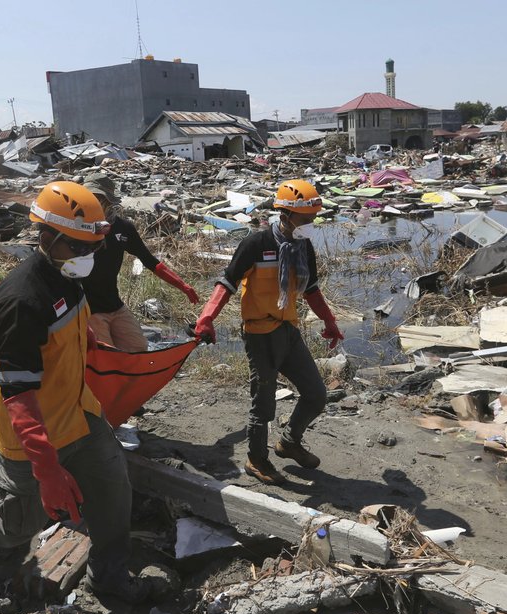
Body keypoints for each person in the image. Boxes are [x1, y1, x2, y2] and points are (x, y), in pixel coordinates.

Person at [0, 181, 153, 603]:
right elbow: (19, 397)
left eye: (93, 248)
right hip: (31, 434)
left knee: (112, 491)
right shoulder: (20, 301)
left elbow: (75, 328)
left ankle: (109, 577)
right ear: (48, 239)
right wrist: (47, 472)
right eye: (80, 248)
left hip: (79, 414)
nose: (90, 257)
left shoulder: (69, 275)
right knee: (20, 524)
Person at [194, 179, 344, 485]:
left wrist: (330, 322)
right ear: (285, 215)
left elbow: (311, 289)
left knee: (316, 394)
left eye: (314, 219)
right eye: (306, 219)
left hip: (288, 331)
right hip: (260, 334)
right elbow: (227, 283)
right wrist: (206, 318)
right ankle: (256, 460)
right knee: (264, 403)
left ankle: (289, 442)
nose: (310, 225)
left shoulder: (303, 246)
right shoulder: (256, 244)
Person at [80, 173, 199, 351]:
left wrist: (183, 286)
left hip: (114, 304)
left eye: (98, 198)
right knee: (106, 356)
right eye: (89, 198)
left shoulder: (122, 228)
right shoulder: (75, 228)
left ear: (109, 201)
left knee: (138, 350)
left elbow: (150, 261)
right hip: (88, 309)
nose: (93, 203)